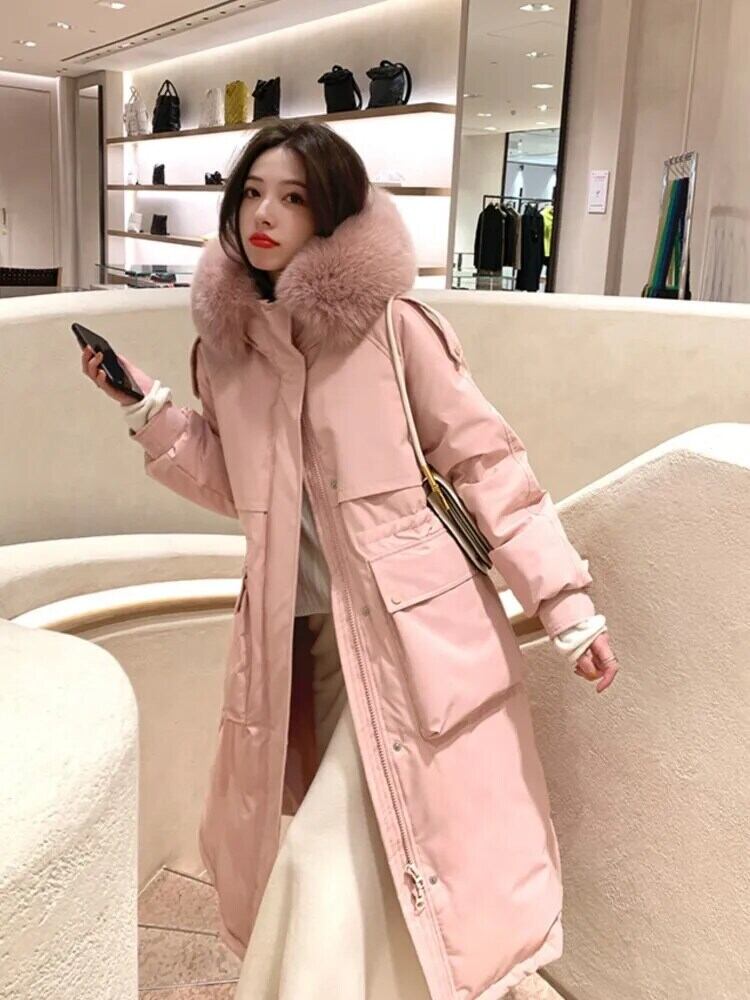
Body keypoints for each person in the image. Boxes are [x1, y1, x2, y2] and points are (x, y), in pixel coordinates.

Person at [80, 122, 619, 999]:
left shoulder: (392, 328)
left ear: (329, 212)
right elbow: (243, 487)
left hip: (412, 639)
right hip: (301, 644)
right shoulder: (227, 352)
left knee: (333, 853)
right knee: (374, 859)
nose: (265, 213)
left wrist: (566, 604)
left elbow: (487, 462)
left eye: (293, 197)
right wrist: (149, 412)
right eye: (254, 192)